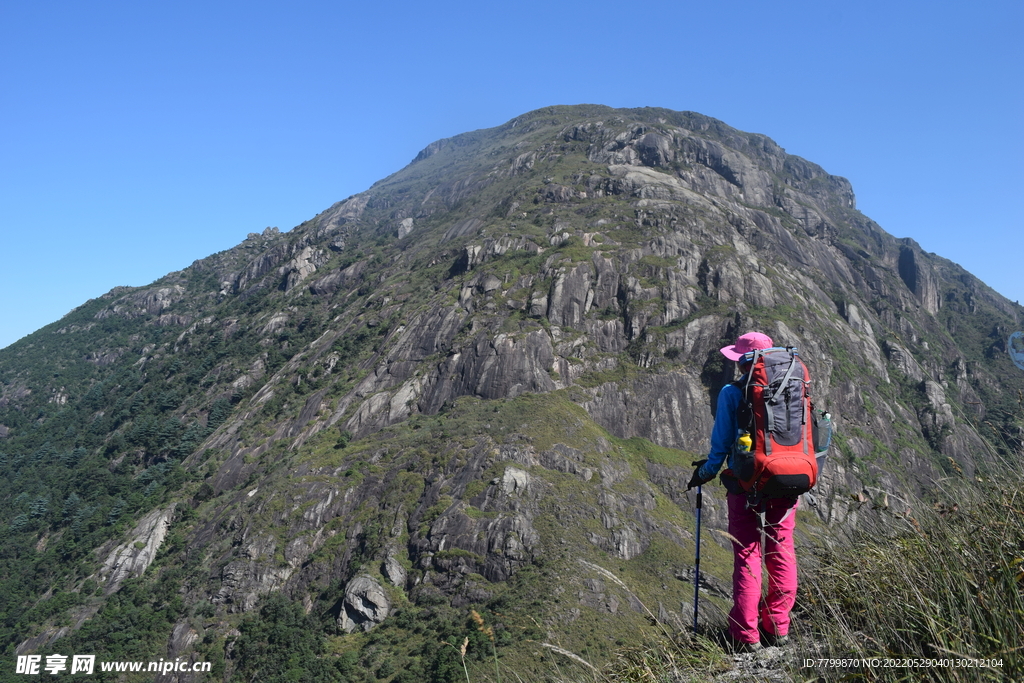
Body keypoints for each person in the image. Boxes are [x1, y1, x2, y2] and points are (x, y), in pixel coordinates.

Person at [688, 331, 799, 652]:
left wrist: (704, 474)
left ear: (743, 362)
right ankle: (778, 626)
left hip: (745, 482)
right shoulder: (792, 384)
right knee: (781, 550)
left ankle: (745, 635)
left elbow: (721, 446)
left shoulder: (731, 392)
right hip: (786, 478)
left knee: (747, 553)